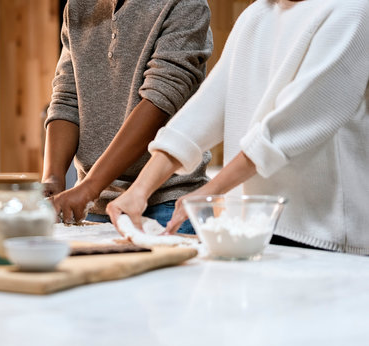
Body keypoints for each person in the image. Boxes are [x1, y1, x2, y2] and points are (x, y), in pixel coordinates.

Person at [106, 0, 369, 254]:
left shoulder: (352, 10)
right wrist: (139, 190)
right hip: (250, 227)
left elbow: (290, 126)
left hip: (324, 233)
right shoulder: (256, 14)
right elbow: (206, 109)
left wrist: (209, 192)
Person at [42, 0, 213, 233]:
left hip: (167, 203)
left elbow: (160, 99)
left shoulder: (186, 4)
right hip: (93, 206)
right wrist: (53, 177)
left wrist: (91, 186)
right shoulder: (78, 6)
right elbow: (67, 96)